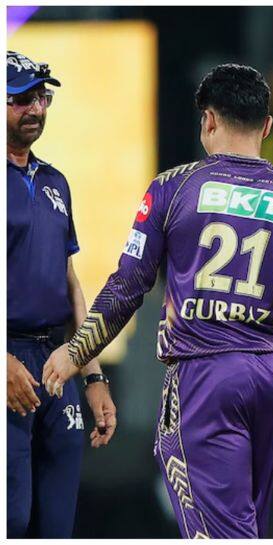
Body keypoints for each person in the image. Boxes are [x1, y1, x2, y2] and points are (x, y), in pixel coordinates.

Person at [42, 63, 273, 538]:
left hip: (203, 374)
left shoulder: (173, 187)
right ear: (266, 126)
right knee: (245, 523)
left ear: (209, 120)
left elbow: (129, 284)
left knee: (220, 533)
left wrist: (77, 350)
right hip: (268, 377)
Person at [6, 50, 117, 538]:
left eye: (42, 98)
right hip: (8, 358)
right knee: (10, 519)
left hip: (56, 362)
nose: (36, 109)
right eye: (21, 99)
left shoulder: (56, 182)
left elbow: (67, 279)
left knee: (56, 526)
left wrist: (92, 375)